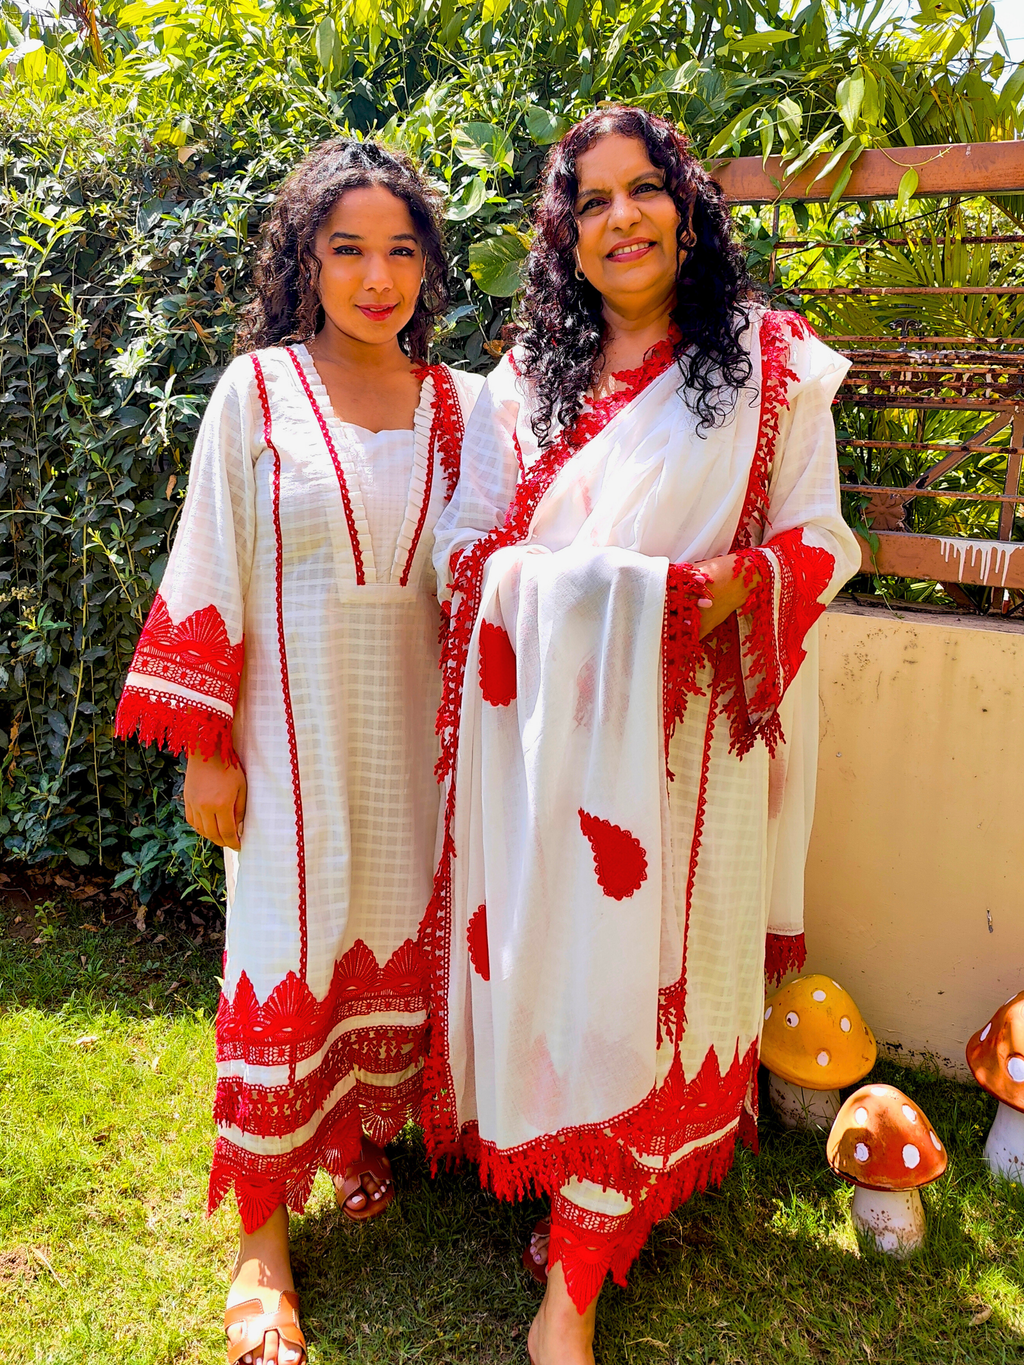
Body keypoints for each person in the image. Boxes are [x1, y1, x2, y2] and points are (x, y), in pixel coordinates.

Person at [422, 106, 861, 1364]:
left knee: (650, 981)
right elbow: (463, 551)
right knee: (562, 960)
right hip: (544, 745)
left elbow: (825, 541)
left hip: (691, 743)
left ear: (685, 205)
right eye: (592, 201)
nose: (622, 218)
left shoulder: (771, 365)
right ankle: (560, 1168)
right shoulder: (521, 385)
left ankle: (577, 1273)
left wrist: (719, 596)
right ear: (563, 235)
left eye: (643, 190)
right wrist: (578, 597)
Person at [115, 138, 482, 1365]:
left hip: (418, 752)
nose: (376, 278)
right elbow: (211, 562)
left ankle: (364, 1136)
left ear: (426, 265)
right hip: (287, 747)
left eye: (399, 251)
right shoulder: (257, 393)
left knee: (396, 941)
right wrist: (203, 747)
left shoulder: (462, 406)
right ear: (305, 261)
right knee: (281, 952)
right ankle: (261, 1243)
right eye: (347, 251)